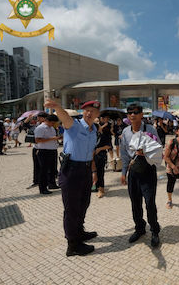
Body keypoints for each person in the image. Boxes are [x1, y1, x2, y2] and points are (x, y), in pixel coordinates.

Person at [43, 99, 101, 256]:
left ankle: (79, 231)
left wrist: (94, 172)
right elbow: (64, 118)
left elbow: (91, 153)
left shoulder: (94, 129)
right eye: (87, 110)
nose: (90, 113)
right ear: (83, 112)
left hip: (86, 169)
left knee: (84, 203)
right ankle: (73, 245)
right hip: (72, 171)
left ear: (97, 114)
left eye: (93, 111)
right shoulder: (74, 125)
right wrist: (57, 107)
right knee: (72, 208)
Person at [120, 104, 161, 247]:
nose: (133, 115)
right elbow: (124, 154)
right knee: (135, 203)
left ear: (142, 114)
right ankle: (140, 228)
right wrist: (124, 172)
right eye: (130, 113)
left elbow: (158, 149)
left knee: (150, 203)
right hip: (133, 172)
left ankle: (155, 231)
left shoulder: (150, 130)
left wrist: (146, 152)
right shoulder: (125, 132)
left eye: (136, 112)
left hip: (148, 170)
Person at [34, 114, 61, 194]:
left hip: (52, 150)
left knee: (53, 169)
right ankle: (43, 188)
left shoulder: (52, 128)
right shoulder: (40, 128)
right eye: (52, 123)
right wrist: (51, 139)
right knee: (44, 170)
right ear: (48, 121)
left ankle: (52, 184)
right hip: (44, 151)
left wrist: (57, 138)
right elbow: (37, 140)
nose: (53, 125)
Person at [26, 112, 49, 189]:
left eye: (39, 117)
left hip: (43, 148)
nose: (37, 119)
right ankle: (36, 181)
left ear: (44, 118)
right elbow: (25, 126)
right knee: (36, 165)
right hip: (36, 147)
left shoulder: (47, 126)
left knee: (43, 166)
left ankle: (45, 181)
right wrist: (28, 118)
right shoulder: (36, 125)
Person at [93, 122, 113, 198]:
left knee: (100, 173)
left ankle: (101, 189)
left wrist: (100, 149)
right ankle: (96, 187)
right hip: (91, 156)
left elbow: (109, 146)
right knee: (93, 172)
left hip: (100, 156)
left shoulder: (104, 135)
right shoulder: (91, 136)